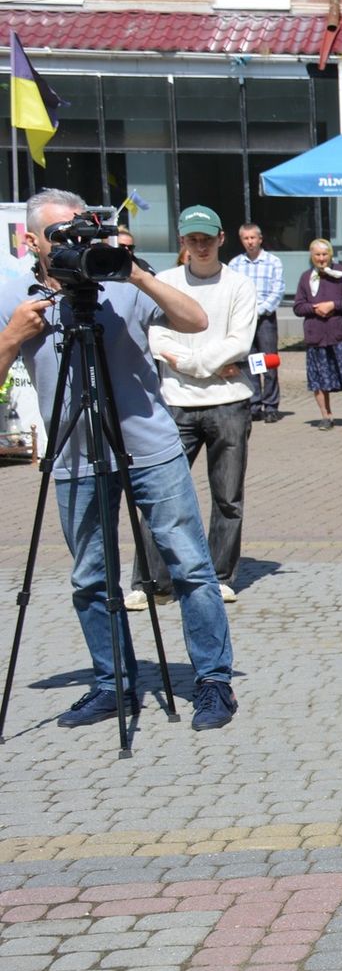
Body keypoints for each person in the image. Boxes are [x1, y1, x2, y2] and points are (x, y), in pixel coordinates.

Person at [0, 187, 238, 732]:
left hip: (151, 450)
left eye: (83, 228)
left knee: (190, 567)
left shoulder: (121, 280)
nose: (76, 241)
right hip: (75, 457)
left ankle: (212, 681)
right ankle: (114, 683)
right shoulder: (15, 293)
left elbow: (195, 319)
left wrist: (134, 272)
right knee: (90, 578)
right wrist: (13, 336)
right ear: (31, 240)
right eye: (62, 234)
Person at [129, 205, 258, 608]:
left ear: (222, 239)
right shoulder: (163, 282)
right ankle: (152, 580)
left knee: (227, 496)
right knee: (159, 494)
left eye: (207, 239)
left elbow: (239, 340)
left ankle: (219, 575)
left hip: (229, 401)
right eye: (192, 239)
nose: (200, 246)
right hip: (174, 402)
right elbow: (152, 336)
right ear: (181, 241)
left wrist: (190, 361)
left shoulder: (240, 285)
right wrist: (202, 364)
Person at [293, 239, 342, 430]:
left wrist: (333, 305)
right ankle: (326, 416)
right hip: (316, 335)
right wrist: (314, 308)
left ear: (330, 254)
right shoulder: (306, 278)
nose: (321, 258)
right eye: (317, 255)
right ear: (311, 256)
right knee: (319, 379)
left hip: (339, 334)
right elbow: (298, 306)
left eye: (324, 254)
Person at [232, 222, 283, 422]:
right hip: (244, 319)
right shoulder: (236, 264)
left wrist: (259, 310)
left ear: (260, 239)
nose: (250, 242)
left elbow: (277, 291)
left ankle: (271, 405)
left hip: (265, 318)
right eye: (246, 238)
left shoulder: (273, 262)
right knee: (251, 362)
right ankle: (254, 403)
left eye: (253, 238)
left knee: (269, 361)